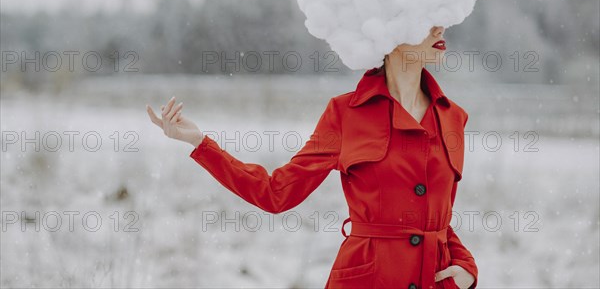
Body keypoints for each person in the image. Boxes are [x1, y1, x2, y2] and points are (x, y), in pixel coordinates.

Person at [146, 25, 478, 289]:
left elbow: (439, 219)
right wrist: (201, 143)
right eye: (425, 20)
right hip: (365, 280)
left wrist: (466, 267)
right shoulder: (346, 113)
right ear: (388, 30)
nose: (440, 29)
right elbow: (276, 194)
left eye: (442, 17)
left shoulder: (452, 118)